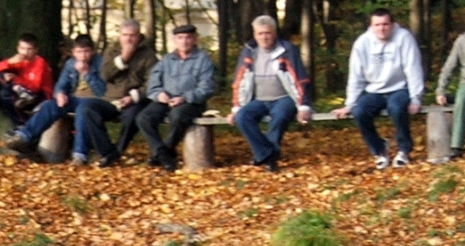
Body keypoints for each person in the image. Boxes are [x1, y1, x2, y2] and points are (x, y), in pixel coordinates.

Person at [333, 8, 424, 170]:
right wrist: (350, 103)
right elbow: (356, 76)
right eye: (377, 25)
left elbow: (413, 68)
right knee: (359, 112)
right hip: (373, 91)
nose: (381, 28)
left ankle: (404, 150)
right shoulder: (362, 43)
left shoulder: (404, 38)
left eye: (385, 24)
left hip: (400, 89)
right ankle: (379, 150)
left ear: (392, 24)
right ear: (371, 26)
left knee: (396, 108)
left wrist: (416, 98)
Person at [4, 34, 106, 166]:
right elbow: (60, 84)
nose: (83, 55)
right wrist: (60, 94)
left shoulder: (101, 63)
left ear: (92, 51)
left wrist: (87, 73)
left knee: (83, 110)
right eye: (79, 52)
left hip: (95, 100)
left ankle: (80, 155)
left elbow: (102, 91)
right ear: (74, 52)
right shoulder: (70, 64)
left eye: (86, 51)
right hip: (74, 99)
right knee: (50, 106)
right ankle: (23, 137)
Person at [227, 16, 312, 172]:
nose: (264, 37)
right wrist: (236, 107)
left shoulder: (287, 50)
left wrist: (303, 106)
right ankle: (268, 154)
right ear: (255, 35)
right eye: (260, 33)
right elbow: (239, 80)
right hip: (258, 99)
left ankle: (266, 159)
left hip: (283, 98)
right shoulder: (249, 51)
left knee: (279, 117)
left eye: (267, 33)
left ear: (274, 33)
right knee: (242, 117)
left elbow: (300, 78)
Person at [78, 19, 158, 168]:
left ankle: (118, 150)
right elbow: (105, 75)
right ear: (119, 36)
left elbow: (152, 83)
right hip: (110, 99)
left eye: (132, 35)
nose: (128, 39)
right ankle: (107, 152)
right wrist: (123, 59)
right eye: (125, 35)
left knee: (132, 116)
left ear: (139, 36)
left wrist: (134, 96)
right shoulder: (111, 50)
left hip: (134, 100)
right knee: (87, 109)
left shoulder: (148, 54)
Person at [137, 24, 216, 172]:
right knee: (143, 118)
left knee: (178, 115)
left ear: (195, 39)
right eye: (180, 38)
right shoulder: (166, 60)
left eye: (188, 38)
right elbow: (152, 83)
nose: (184, 41)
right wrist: (158, 94)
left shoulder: (203, 59)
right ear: (174, 40)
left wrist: (184, 98)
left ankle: (164, 153)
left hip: (191, 102)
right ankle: (163, 153)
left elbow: (207, 88)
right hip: (166, 100)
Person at [0, 33, 55, 128]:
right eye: (22, 48)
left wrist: (15, 79)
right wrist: (9, 62)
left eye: (29, 49)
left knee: (8, 92)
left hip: (41, 95)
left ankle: (24, 122)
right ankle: (21, 124)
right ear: (18, 48)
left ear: (36, 50)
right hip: (22, 91)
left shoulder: (40, 62)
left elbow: (35, 87)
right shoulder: (18, 60)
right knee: (2, 80)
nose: (25, 52)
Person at [436, 30, 465, 160]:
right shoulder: (462, 41)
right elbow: (449, 67)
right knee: (462, 102)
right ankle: (456, 145)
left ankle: (452, 97)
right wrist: (440, 91)